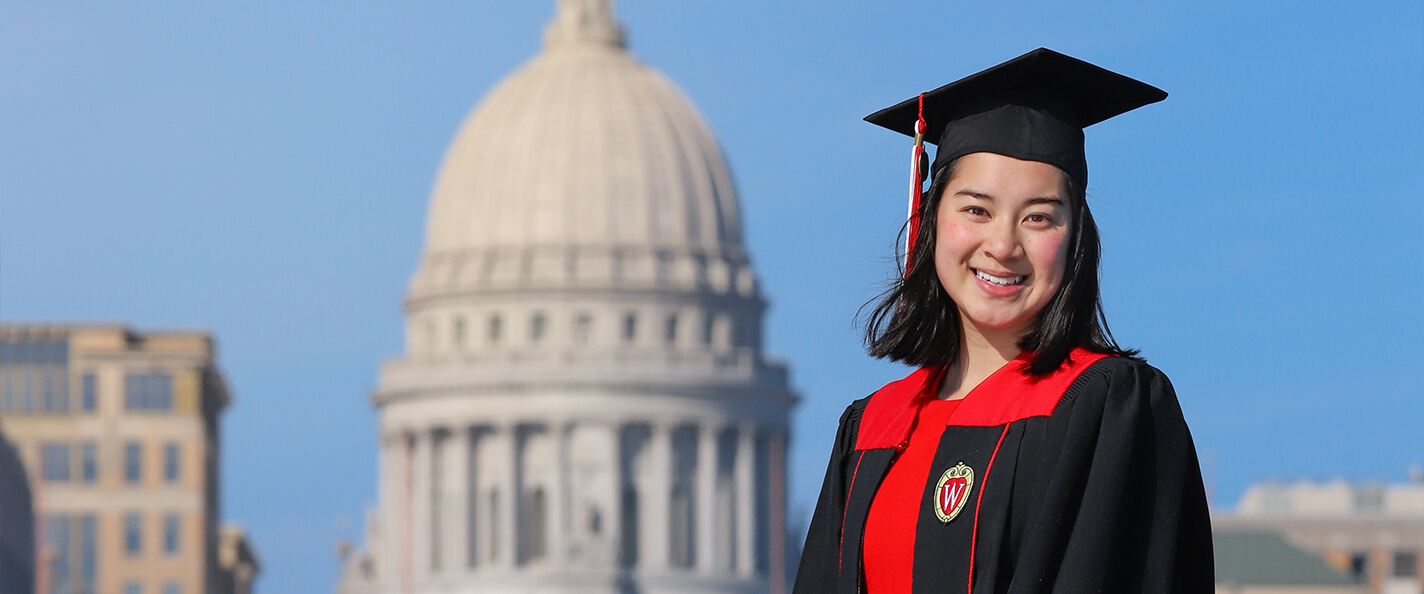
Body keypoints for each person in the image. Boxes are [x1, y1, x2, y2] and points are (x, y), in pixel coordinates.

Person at [792, 49, 1214, 593]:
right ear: (931, 219)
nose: (1003, 245)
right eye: (976, 209)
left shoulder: (1107, 408)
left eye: (1038, 217)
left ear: (1076, 237)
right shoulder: (871, 427)